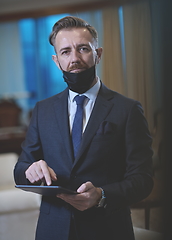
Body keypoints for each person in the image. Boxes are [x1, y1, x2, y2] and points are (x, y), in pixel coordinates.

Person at [14, 16, 153, 240]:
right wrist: (30, 170)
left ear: (97, 54)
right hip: (53, 231)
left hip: (108, 230)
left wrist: (102, 195)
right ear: (56, 60)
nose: (75, 59)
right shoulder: (42, 111)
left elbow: (143, 180)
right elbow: (20, 170)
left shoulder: (128, 110)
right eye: (65, 51)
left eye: (83, 49)